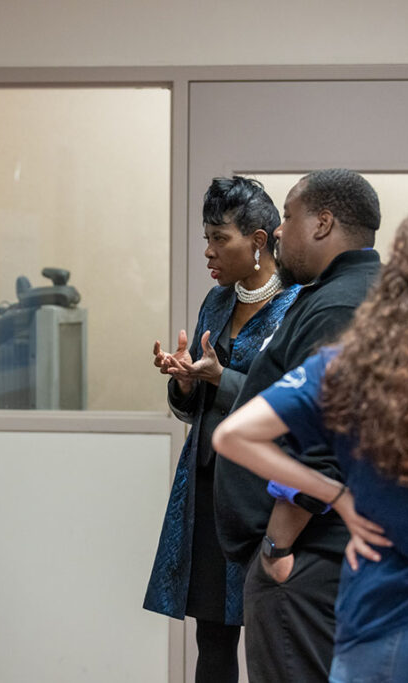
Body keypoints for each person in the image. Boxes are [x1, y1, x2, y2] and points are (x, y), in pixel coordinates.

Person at [213, 197, 408, 681]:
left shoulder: (349, 364)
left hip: (379, 607)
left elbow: (233, 436)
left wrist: (339, 498)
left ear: (401, 266)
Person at [211, 168, 382, 681]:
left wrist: (278, 548)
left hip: (308, 561)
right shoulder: (342, 292)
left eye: (289, 216)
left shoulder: (341, 306)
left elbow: (328, 438)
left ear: (323, 223)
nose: (280, 230)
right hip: (317, 557)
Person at [143, 177, 298, 682]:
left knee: (270, 635)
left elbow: (291, 404)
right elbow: (197, 407)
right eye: (205, 238)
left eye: (219, 238)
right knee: (212, 639)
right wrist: (186, 381)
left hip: (267, 495)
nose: (208, 251)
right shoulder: (218, 301)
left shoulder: (299, 305)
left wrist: (220, 378)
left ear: (258, 240)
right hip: (209, 488)